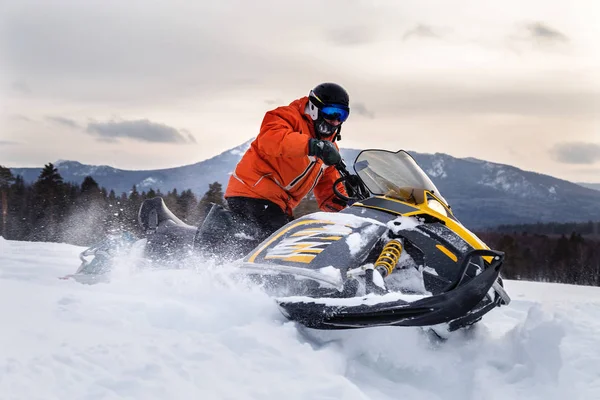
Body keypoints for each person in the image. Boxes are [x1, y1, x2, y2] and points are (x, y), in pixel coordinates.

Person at [223, 82, 351, 247]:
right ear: (314, 109)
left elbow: (330, 190)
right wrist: (313, 146)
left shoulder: (328, 148)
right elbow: (271, 139)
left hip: (278, 205)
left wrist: (349, 209)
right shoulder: (286, 117)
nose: (335, 121)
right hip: (252, 193)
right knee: (283, 246)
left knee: (299, 242)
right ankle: (246, 270)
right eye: (331, 113)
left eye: (341, 116)